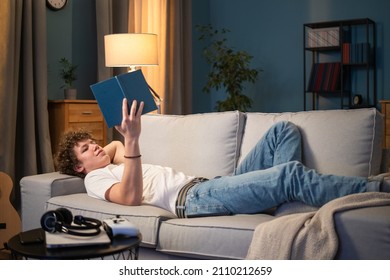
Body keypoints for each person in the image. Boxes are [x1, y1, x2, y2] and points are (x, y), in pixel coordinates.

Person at [55, 98, 386, 218]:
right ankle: (378, 189)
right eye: (85, 149)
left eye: (92, 141)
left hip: (212, 185)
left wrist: (113, 147)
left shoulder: (112, 161)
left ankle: (282, 202)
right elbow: (128, 196)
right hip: (193, 200)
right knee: (288, 176)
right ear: (79, 167)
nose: (96, 146)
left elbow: (110, 150)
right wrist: (132, 138)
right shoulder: (96, 179)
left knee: (283, 130)